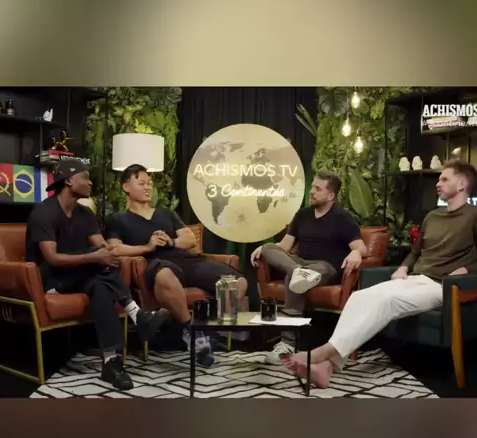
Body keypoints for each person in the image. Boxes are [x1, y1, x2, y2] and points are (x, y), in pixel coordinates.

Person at [283, 160, 477, 388]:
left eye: (444, 179)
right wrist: (403, 267)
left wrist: (467, 270)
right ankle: (327, 367)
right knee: (359, 296)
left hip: (443, 285)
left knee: (388, 300)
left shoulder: (473, 216)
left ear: (462, 184)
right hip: (415, 278)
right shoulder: (432, 217)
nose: (438, 183)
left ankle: (320, 354)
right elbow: (416, 252)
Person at [25, 159, 169, 390]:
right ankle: (136, 314)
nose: (90, 182)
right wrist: (96, 257)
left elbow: (102, 246)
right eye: (85, 177)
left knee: (100, 285)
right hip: (52, 279)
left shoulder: (84, 214)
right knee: (97, 260)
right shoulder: (44, 212)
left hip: (81, 275)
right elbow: (52, 258)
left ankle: (112, 363)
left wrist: (110, 252)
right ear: (69, 180)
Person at [104, 164, 248, 366]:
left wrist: (171, 241)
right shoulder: (118, 220)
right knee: (165, 275)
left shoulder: (166, 213)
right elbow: (114, 249)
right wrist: (147, 247)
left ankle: (209, 331)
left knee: (237, 282)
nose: (148, 187)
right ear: (126, 186)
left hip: (186, 261)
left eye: (150, 184)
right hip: (155, 264)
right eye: (142, 183)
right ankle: (191, 330)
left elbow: (190, 239)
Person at [251, 171, 367, 359]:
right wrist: (264, 249)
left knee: (296, 276)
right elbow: (285, 246)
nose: (311, 191)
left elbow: (361, 247)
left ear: (331, 196)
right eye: (312, 187)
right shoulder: (302, 215)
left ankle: (288, 343)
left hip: (325, 267)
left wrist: (356, 252)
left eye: (317, 189)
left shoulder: (343, 218)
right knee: (269, 250)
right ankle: (297, 271)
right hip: (300, 264)